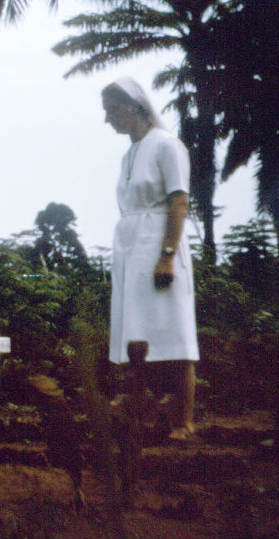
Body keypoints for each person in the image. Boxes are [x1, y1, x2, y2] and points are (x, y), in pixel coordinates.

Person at [102, 77, 198, 438]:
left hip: (159, 244)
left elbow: (179, 201)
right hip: (130, 251)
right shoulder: (128, 153)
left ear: (135, 107)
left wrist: (167, 255)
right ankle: (146, 416)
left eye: (112, 110)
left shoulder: (166, 145)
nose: (108, 118)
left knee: (174, 331)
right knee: (138, 333)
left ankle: (183, 422)